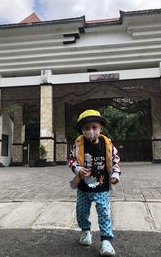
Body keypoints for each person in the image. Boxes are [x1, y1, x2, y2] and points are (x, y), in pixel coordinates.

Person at [69, 109, 121, 256]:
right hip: (83, 188)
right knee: (81, 212)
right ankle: (85, 232)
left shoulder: (107, 144)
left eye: (94, 127)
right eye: (86, 128)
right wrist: (77, 169)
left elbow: (116, 159)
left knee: (104, 213)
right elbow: (71, 159)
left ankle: (106, 241)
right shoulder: (78, 145)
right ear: (81, 131)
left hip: (102, 188)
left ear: (100, 128)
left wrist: (116, 174)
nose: (90, 131)